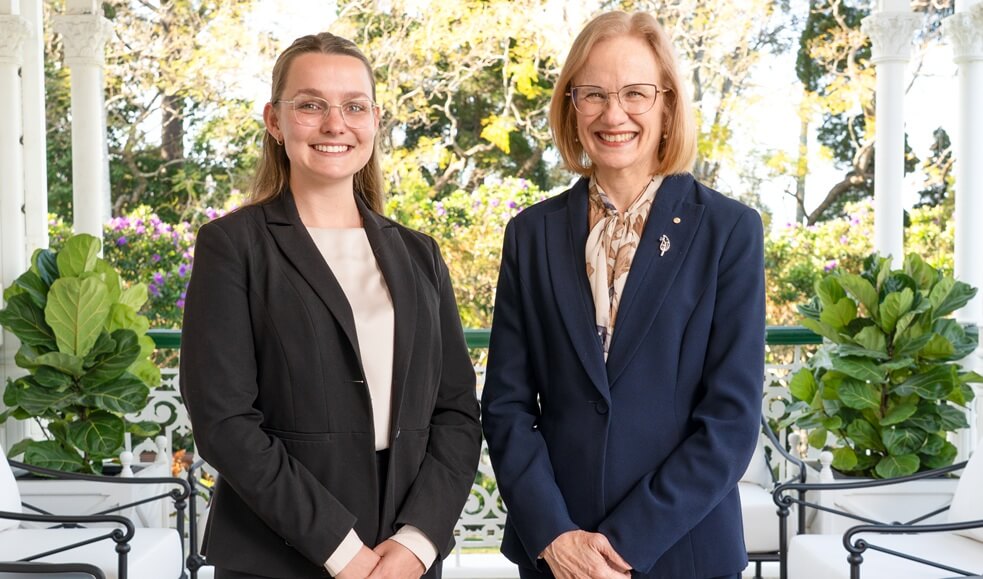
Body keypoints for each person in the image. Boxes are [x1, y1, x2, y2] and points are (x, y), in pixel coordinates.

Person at [180, 32, 482, 579]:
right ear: (275, 120)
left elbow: (456, 414)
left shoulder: (420, 255)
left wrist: (416, 543)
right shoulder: (233, 246)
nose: (334, 124)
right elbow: (224, 421)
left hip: (404, 556)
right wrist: (343, 552)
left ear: (375, 119)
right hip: (278, 555)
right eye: (311, 104)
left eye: (353, 106)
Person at [480, 10, 765, 579]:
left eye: (636, 93)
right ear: (571, 105)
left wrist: (622, 547)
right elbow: (507, 405)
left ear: (666, 104)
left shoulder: (729, 230)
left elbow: (730, 420)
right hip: (556, 555)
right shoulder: (530, 234)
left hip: (684, 552)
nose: (614, 115)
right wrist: (556, 536)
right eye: (593, 95)